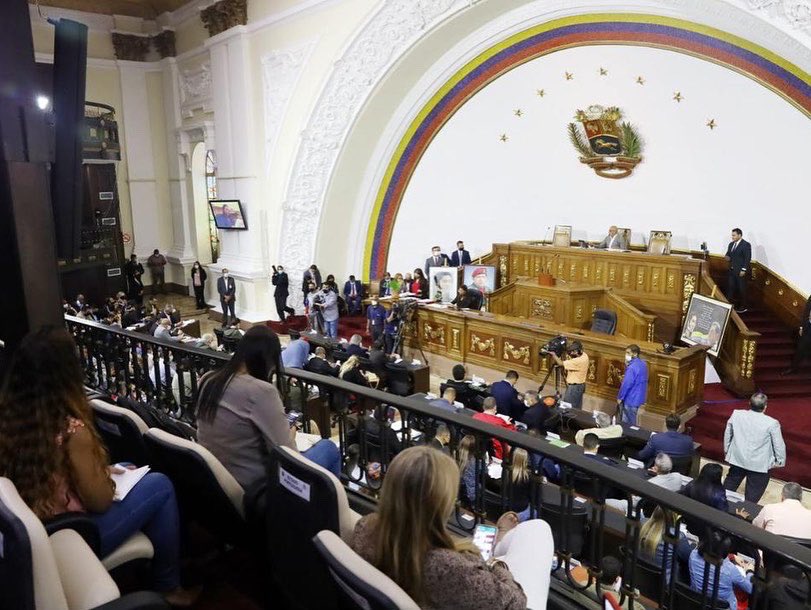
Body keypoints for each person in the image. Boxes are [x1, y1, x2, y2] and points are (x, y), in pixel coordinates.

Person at [0, 328, 199, 606]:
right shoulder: (72, 431)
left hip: (44, 523)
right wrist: (104, 479)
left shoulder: (11, 419)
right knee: (161, 486)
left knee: (127, 466)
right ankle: (168, 587)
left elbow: (50, 475)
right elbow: (100, 501)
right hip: (77, 532)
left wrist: (103, 471)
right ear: (67, 374)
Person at [349, 446, 554, 609]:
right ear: (441, 503)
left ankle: (499, 544)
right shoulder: (449, 567)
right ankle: (498, 546)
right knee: (538, 529)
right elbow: (517, 602)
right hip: (489, 587)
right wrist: (497, 566)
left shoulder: (365, 527)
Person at [196, 326, 341, 484]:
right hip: (254, 485)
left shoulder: (208, 379)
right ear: (269, 361)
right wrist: (290, 434)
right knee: (328, 448)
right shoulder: (261, 391)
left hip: (214, 476)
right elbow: (289, 455)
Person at [723, 392, 786, 503]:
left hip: (738, 458)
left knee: (727, 490)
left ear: (749, 403)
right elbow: (778, 444)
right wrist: (779, 461)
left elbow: (728, 433)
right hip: (760, 465)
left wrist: (727, 450)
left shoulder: (737, 414)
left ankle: (718, 510)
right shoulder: (772, 423)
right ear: (765, 407)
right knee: (751, 500)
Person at [689, 537, 753, 610]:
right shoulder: (730, 570)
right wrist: (749, 572)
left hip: (696, 603)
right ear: (725, 553)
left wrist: (730, 557)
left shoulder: (693, 556)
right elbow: (750, 588)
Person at [639, 506, 681, 582]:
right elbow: (687, 556)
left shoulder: (641, 524)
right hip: (663, 587)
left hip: (638, 578)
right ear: (673, 518)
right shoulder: (676, 536)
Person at [549, 340, 589, 409]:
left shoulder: (578, 361)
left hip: (574, 388)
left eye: (572, 352)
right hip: (580, 385)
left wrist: (554, 355)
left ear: (576, 352)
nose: (570, 353)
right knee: (576, 407)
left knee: (567, 406)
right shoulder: (584, 355)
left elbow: (561, 363)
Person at [617, 344, 648, 425]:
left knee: (627, 423)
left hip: (630, 398)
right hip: (639, 397)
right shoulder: (643, 364)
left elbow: (626, 384)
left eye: (628, 353)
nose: (626, 355)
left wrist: (620, 397)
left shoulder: (632, 367)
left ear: (635, 354)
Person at [782, 294, 811, 376]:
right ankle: (793, 368)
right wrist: (802, 326)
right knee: (800, 348)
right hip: (808, 326)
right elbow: (806, 311)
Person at [724, 228, 751, 313]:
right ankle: (728, 304)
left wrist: (744, 269)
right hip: (732, 270)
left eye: (734, 235)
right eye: (732, 235)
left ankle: (743, 306)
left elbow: (747, 258)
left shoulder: (746, 244)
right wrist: (727, 256)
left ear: (739, 235)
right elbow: (728, 253)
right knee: (730, 287)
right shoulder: (731, 244)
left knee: (741, 289)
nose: (732, 237)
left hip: (740, 271)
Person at [457, 434, 478, 505]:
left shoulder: (454, 454)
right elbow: (486, 471)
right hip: (469, 496)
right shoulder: (473, 462)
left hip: (456, 491)